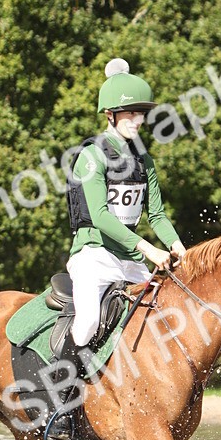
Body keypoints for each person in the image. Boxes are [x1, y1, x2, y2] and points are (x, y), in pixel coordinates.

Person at [65, 58, 187, 350]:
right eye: (131, 113)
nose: (139, 120)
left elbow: (156, 215)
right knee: (88, 325)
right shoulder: (92, 156)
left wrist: (177, 245)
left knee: (165, 314)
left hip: (129, 261)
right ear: (110, 114)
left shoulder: (145, 161)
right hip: (93, 255)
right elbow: (101, 216)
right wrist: (149, 249)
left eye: (141, 113)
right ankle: (61, 387)